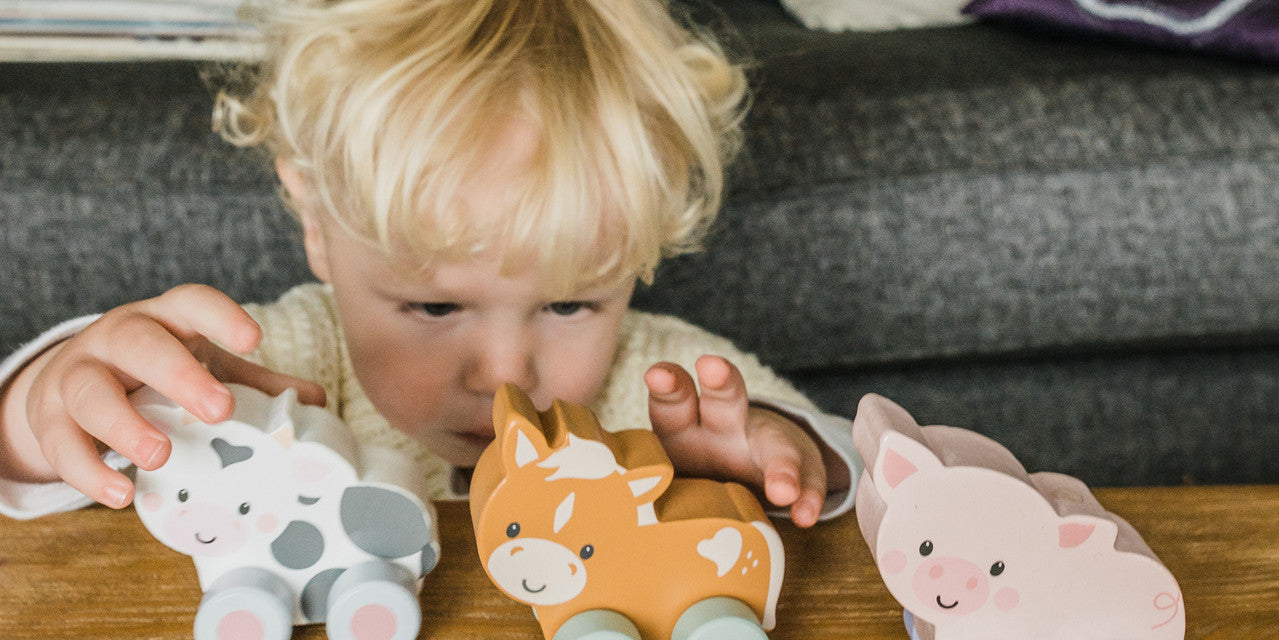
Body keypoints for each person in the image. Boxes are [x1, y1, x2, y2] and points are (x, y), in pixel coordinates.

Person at [0, 0, 858, 527]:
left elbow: (844, 465)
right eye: (436, 308)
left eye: (570, 307)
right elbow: (64, 460)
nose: (505, 376)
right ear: (315, 219)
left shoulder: (657, 383)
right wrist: (49, 401)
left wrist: (771, 462)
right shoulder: (288, 362)